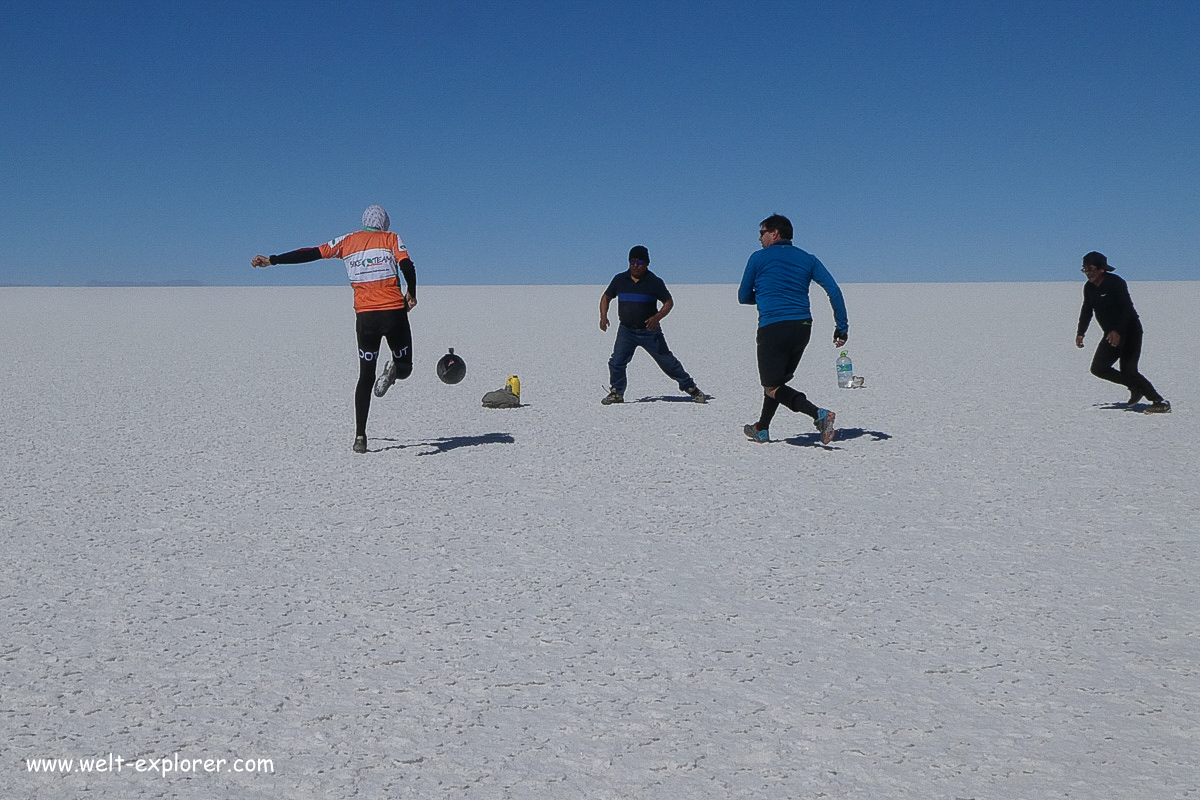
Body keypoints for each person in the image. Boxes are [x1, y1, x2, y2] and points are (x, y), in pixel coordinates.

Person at [251, 205, 418, 452]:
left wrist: (273, 260)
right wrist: (411, 293)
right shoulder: (391, 238)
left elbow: (311, 253)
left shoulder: (346, 241)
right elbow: (407, 266)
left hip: (366, 321)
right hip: (394, 315)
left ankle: (360, 437)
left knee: (365, 376)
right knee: (405, 369)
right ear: (384, 223)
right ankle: (392, 376)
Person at [738, 214, 848, 444]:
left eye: (762, 232)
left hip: (773, 327)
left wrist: (768, 296)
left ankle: (818, 414)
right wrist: (841, 327)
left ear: (774, 233)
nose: (759, 238)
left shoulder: (758, 258)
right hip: (802, 328)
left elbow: (743, 296)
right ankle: (762, 428)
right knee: (776, 381)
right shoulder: (808, 259)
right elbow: (834, 290)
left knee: (772, 385)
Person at [599, 245, 706, 405]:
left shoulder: (654, 282)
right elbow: (606, 297)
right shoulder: (620, 279)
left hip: (649, 331)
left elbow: (668, 302)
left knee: (667, 362)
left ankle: (691, 388)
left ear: (647, 263)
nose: (636, 265)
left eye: (640, 261)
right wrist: (603, 316)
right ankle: (616, 393)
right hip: (626, 330)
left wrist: (657, 317)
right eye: (632, 261)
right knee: (616, 362)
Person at [1076, 251, 1170, 413]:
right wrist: (1081, 332)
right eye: (1085, 269)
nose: (1088, 273)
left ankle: (1159, 402)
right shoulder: (1089, 288)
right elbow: (1087, 309)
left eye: (1091, 269)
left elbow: (1127, 308)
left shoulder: (1116, 283)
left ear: (1101, 269)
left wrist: (1117, 331)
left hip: (1129, 331)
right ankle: (1135, 387)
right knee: (1099, 368)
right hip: (1110, 334)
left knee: (1129, 370)